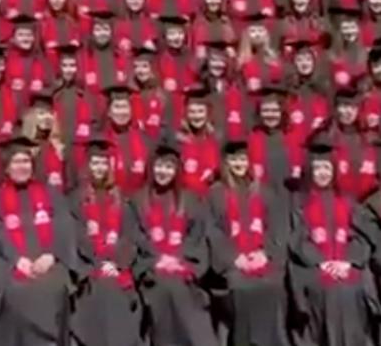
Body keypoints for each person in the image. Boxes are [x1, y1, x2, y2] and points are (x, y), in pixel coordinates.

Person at [0, 134, 73, 346]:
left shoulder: (49, 193)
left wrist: (51, 254)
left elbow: (64, 225)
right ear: (5, 166)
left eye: (26, 161)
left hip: (48, 262)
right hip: (10, 266)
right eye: (16, 161)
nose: (22, 167)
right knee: (18, 292)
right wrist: (16, 260)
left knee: (55, 287)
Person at [288, 136, 378, 346]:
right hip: (313, 267)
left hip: (346, 265)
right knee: (329, 291)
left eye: (327, 168)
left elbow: (361, 238)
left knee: (354, 288)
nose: (322, 173)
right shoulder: (299, 203)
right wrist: (323, 262)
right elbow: (298, 241)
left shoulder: (348, 202)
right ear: (310, 171)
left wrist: (347, 262)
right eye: (318, 169)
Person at [129, 135, 215, 346]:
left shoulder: (190, 200)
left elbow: (197, 237)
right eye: (159, 166)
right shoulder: (137, 200)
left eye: (169, 167)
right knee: (166, 288)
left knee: (181, 289)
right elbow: (134, 236)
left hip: (183, 267)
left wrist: (178, 260)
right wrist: (157, 260)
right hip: (152, 270)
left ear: (177, 170)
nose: (163, 172)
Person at [207, 139, 290, 346]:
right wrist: (234, 258)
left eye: (243, 159)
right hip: (233, 263)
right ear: (226, 163)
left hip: (263, 259)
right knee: (241, 287)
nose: (239, 164)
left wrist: (266, 253)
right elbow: (212, 232)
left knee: (273, 286)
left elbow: (277, 228)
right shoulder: (215, 193)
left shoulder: (265, 192)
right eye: (233, 160)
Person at [69, 138, 142, 346]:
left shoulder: (122, 201)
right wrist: (95, 263)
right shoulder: (75, 200)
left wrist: (117, 263)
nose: (99, 168)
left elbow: (130, 236)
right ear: (87, 166)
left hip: (116, 267)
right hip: (88, 267)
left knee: (114, 289)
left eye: (104, 163)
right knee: (99, 289)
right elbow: (74, 236)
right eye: (95, 163)